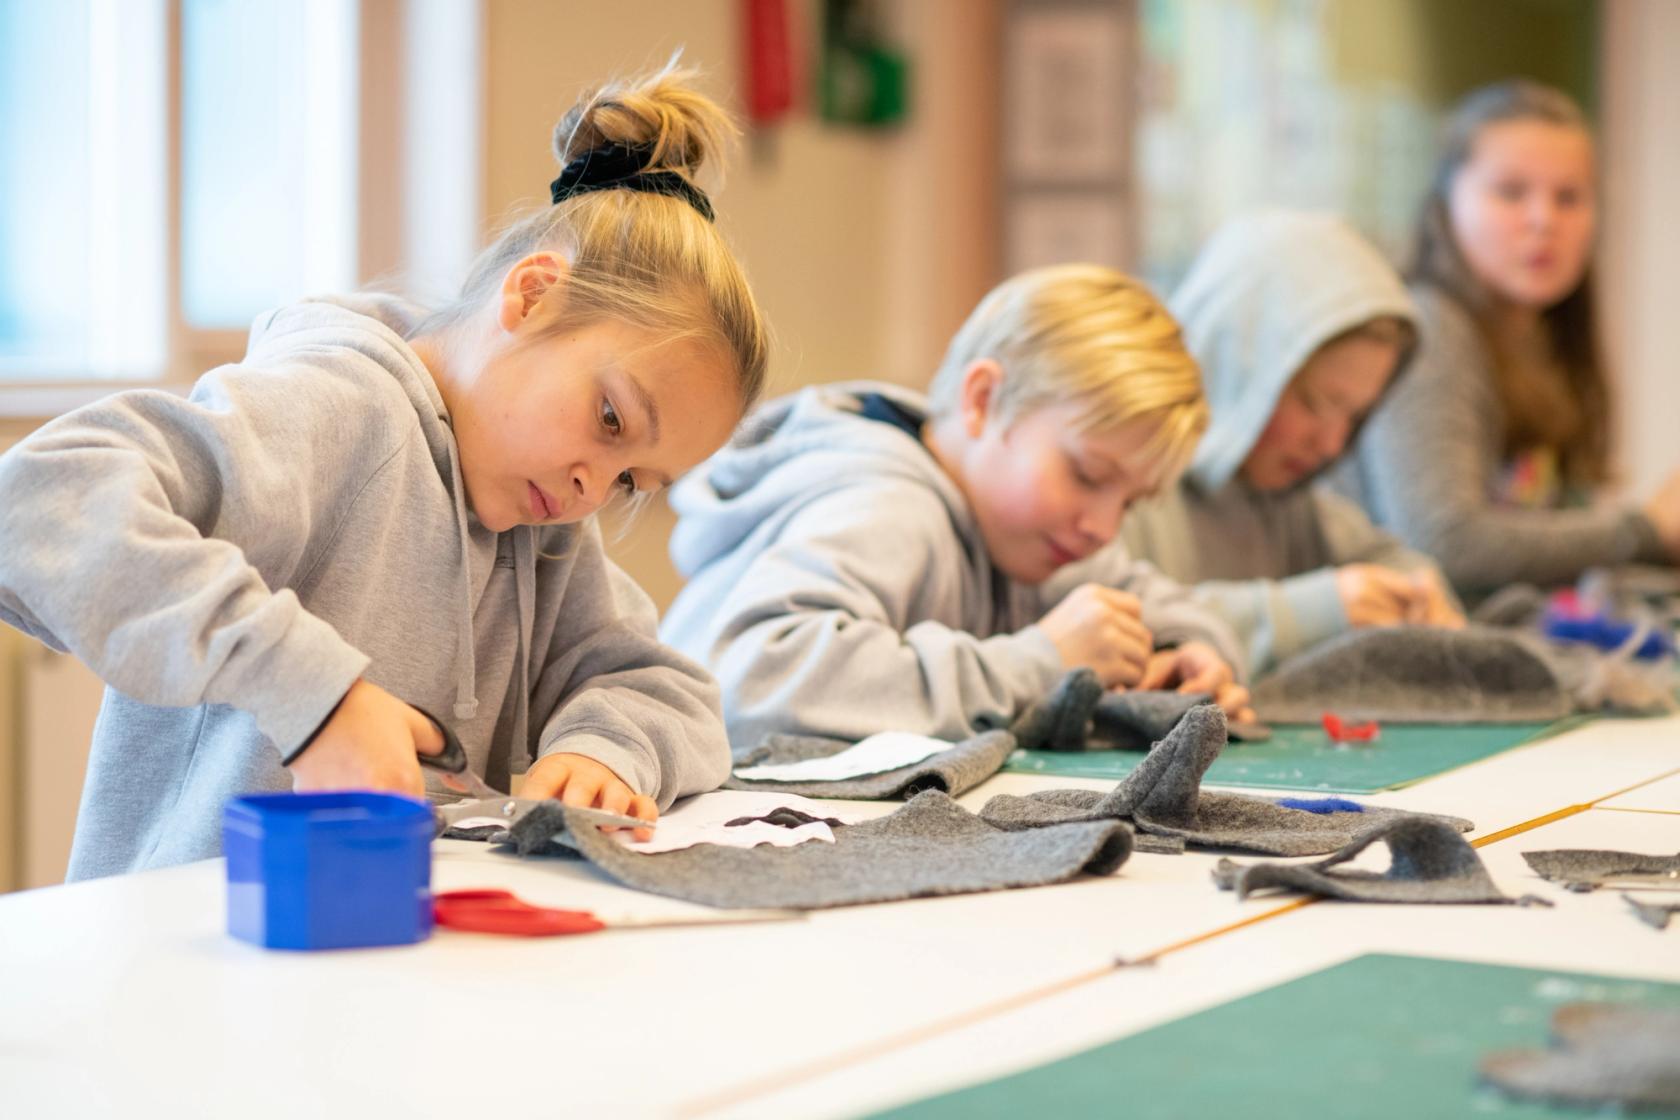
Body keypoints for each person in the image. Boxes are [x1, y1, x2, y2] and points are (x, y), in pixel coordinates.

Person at [0, 62, 767, 880]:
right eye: (611, 419)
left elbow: (671, 693)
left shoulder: (544, 526)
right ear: (534, 295)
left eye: (631, 483)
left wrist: (605, 750)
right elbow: (38, 499)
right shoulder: (335, 407)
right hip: (189, 939)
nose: (593, 490)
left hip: (380, 945)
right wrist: (316, 696)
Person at [659, 263, 1250, 751]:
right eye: (1087, 474)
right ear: (983, 399)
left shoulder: (1032, 537)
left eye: (1132, 503)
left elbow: (1152, 601)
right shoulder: (891, 508)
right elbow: (753, 682)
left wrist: (1186, 654)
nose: (1103, 526)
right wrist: (1037, 663)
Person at [1333, 79, 1680, 600]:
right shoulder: (1430, 328)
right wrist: (1645, 531)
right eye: (1511, 192)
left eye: (1569, 198)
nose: (1543, 221)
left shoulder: (1544, 337)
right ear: (1447, 202)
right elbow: (1442, 542)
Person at [1118, 210, 1463, 676]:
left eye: (1355, 416)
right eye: (1313, 403)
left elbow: (1383, 557)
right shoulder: (1118, 486)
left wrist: (1415, 592)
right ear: (1239, 368)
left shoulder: (1289, 498)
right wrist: (1313, 611)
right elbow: (1113, 621)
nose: (1332, 443)